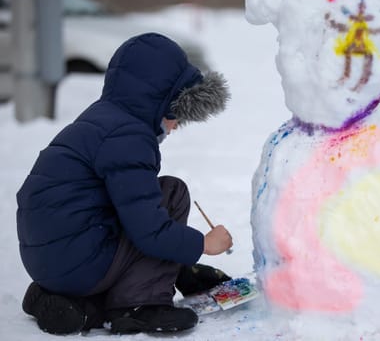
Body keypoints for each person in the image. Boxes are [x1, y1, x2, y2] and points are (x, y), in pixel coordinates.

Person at [16, 32, 234, 335]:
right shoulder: (130, 138)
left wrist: (180, 267)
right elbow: (148, 230)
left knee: (139, 206)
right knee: (172, 193)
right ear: (163, 100)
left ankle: (71, 305)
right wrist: (203, 244)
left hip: (47, 260)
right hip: (81, 259)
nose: (177, 123)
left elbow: (121, 210)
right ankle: (140, 305)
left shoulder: (101, 119)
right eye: (177, 112)